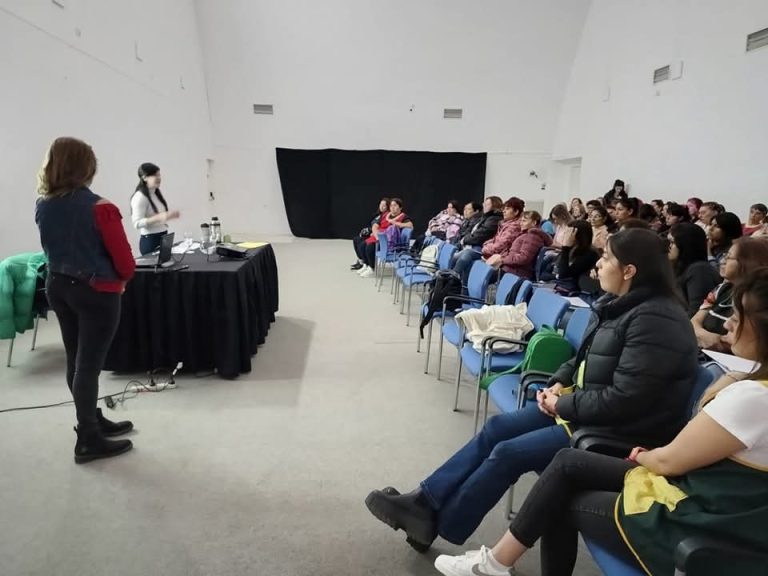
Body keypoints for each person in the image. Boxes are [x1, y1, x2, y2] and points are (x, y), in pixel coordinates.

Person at [365, 229, 698, 551]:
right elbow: (584, 358)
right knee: (497, 428)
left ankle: (439, 523)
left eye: (607, 258)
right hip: (585, 410)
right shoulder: (619, 304)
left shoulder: (657, 321)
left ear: (629, 270)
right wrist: (557, 382)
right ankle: (424, 502)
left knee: (508, 453)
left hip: (617, 433)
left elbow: (626, 401)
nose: (599, 263)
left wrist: (561, 405)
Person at [433, 267, 768, 576]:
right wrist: (561, 388)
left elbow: (668, 459)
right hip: (718, 503)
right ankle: (489, 558)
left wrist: (643, 455)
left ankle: (493, 563)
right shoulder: (620, 309)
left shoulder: (750, 397)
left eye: (738, 317)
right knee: (563, 463)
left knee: (557, 495)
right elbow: (584, 362)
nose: (727, 324)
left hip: (701, 519)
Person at [34, 137, 136, 464]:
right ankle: (89, 438)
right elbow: (125, 263)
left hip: (58, 286)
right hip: (96, 292)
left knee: (75, 360)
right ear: (86, 167)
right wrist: (122, 280)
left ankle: (90, 418)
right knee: (88, 365)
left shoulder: (43, 205)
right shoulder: (101, 208)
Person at [692, 236, 768, 350]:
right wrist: (707, 337)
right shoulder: (720, 289)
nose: (722, 261)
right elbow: (694, 321)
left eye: (728, 257)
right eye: (724, 256)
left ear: (747, 262)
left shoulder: (758, 300)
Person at [667, 223, 721, 317]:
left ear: (685, 244)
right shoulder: (680, 268)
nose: (668, 246)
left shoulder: (699, 270)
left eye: (672, 242)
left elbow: (697, 312)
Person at [449, 197, 504, 283]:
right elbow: (472, 232)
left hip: (481, 247)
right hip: (473, 245)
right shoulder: (485, 217)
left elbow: (481, 235)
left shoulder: (494, 219)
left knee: (464, 256)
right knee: (454, 256)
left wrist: (464, 240)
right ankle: (449, 279)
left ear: (494, 206)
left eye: (487, 204)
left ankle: (451, 280)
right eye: (484, 203)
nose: (484, 205)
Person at [130, 162, 180, 255]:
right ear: (144, 178)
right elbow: (137, 223)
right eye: (154, 175)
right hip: (150, 240)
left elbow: (159, 217)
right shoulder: (140, 197)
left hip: (163, 236)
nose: (158, 178)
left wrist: (168, 216)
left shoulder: (155, 194)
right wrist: (158, 218)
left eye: (159, 175)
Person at [484, 211, 551, 279]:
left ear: (534, 222)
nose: (521, 223)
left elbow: (523, 258)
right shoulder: (526, 234)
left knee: (482, 274)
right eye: (521, 221)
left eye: (524, 221)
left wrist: (502, 259)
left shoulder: (532, 237)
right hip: (511, 270)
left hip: (516, 273)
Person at [358, 198, 413, 278]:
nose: (392, 207)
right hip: (380, 236)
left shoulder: (403, 216)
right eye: (391, 206)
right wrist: (376, 235)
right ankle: (366, 265)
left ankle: (372, 268)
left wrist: (396, 223)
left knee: (370, 248)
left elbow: (410, 225)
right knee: (362, 245)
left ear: (400, 207)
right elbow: (375, 225)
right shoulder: (386, 215)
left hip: (390, 242)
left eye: (395, 205)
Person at [554, 220, 600, 292]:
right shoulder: (571, 249)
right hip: (558, 284)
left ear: (577, 235)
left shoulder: (590, 254)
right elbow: (554, 269)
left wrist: (565, 247)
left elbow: (564, 275)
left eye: (568, 233)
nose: (565, 235)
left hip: (574, 290)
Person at [351, 198, 390, 270]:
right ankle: (362, 261)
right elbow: (374, 226)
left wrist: (374, 232)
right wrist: (368, 230)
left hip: (378, 237)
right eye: (381, 204)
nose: (381, 207)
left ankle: (369, 265)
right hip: (373, 234)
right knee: (356, 239)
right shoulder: (378, 215)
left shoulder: (387, 216)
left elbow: (381, 227)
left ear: (388, 207)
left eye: (384, 205)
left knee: (364, 245)